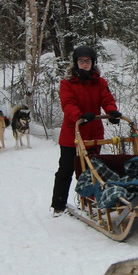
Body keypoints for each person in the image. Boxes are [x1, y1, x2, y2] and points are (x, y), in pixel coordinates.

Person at [51, 44, 121, 216]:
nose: (84, 64)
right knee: (66, 170)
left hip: (93, 134)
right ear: (76, 63)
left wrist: (111, 111)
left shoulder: (100, 82)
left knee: (93, 170)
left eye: (87, 61)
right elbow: (67, 104)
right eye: (81, 61)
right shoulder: (67, 83)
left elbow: (107, 99)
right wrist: (79, 116)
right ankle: (58, 205)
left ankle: (92, 202)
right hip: (72, 134)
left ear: (92, 63)